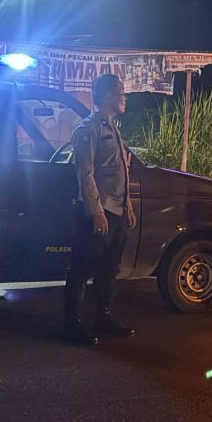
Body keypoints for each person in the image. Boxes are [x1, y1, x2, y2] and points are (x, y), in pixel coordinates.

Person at [63, 73, 137, 345]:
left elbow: (121, 172)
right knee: (82, 268)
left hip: (117, 212)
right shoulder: (88, 129)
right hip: (99, 213)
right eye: (121, 93)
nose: (124, 98)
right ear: (107, 96)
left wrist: (127, 206)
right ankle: (71, 324)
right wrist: (96, 211)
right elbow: (86, 174)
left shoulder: (113, 129)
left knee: (109, 269)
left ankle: (103, 317)